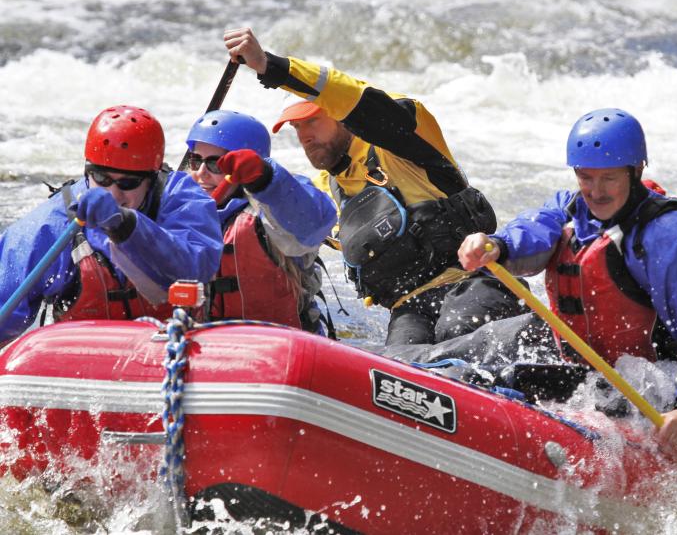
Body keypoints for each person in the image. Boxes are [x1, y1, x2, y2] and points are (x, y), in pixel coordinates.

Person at [457, 108, 677, 459]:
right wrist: (496, 246)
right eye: (586, 177)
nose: (596, 191)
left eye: (609, 178)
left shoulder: (672, 235)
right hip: (584, 367)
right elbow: (534, 231)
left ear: (636, 171)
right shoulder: (571, 211)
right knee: (461, 357)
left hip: (648, 387)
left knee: (497, 379)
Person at [222, 27, 527, 346]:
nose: (304, 136)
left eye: (312, 120)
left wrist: (270, 65)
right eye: (296, 127)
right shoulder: (323, 191)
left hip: (474, 284)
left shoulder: (404, 138)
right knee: (399, 366)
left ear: (340, 115)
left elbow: (356, 99)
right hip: (409, 309)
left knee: (456, 335)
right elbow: (277, 209)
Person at [0, 105, 222, 344]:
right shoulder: (53, 223)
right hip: (83, 355)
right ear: (87, 173)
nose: (113, 194)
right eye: (102, 178)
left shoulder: (182, 199)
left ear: (152, 178)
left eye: (128, 183)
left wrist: (126, 226)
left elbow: (195, 270)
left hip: (171, 347)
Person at [185, 109, 337, 331]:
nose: (201, 173)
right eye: (195, 159)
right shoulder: (178, 207)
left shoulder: (272, 213)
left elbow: (314, 223)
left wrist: (264, 178)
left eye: (215, 164)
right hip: (203, 344)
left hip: (279, 346)